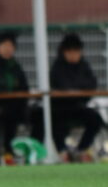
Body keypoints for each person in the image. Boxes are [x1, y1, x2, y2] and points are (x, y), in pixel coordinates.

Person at [32, 33, 103, 162]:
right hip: (60, 107)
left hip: (78, 107)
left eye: (76, 51)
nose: (73, 55)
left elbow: (91, 84)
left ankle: (81, 149)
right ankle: (62, 151)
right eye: (70, 51)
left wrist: (75, 89)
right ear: (64, 52)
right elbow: (63, 86)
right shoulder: (57, 67)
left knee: (96, 119)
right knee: (55, 121)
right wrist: (78, 88)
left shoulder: (84, 66)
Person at [0, 31, 29, 164]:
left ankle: (15, 151)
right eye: (5, 45)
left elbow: (24, 87)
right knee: (2, 115)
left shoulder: (15, 66)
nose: (8, 49)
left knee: (34, 114)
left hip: (14, 106)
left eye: (11, 46)